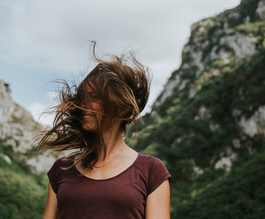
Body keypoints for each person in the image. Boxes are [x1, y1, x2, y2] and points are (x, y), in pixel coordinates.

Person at [36, 42, 171, 219]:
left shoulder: (152, 171)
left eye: (94, 98)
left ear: (122, 108)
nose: (83, 105)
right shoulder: (61, 169)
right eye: (83, 98)